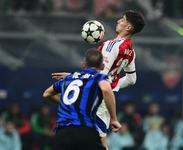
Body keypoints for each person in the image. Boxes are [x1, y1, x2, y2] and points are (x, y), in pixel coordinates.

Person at [51, 10, 146, 149]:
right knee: (97, 143)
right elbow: (131, 79)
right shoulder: (131, 50)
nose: (119, 21)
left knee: (96, 143)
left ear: (128, 27)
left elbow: (100, 74)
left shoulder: (112, 45)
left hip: (96, 100)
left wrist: (73, 77)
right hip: (104, 99)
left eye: (123, 19)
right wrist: (111, 86)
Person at [43, 48, 121, 150]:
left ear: (83, 65)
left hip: (62, 133)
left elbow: (47, 94)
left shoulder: (68, 78)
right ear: (102, 66)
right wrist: (114, 119)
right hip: (84, 130)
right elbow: (106, 89)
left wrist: (71, 104)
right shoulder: (100, 77)